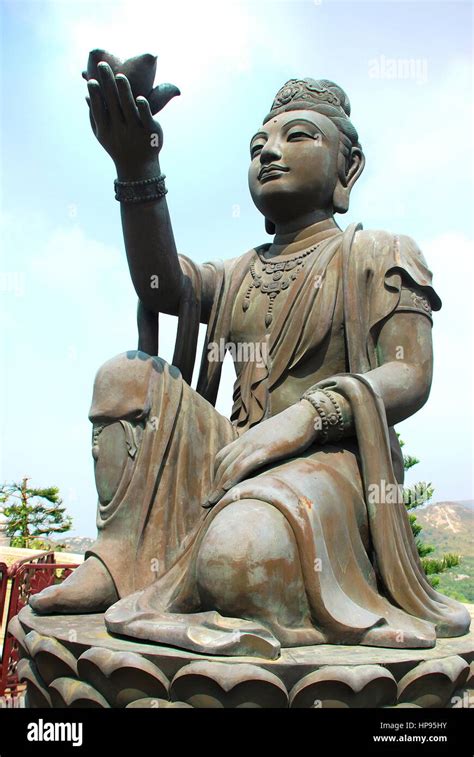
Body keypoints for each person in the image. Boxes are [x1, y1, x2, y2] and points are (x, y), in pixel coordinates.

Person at [30, 61, 470, 658]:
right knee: (126, 373)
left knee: (238, 555)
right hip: (231, 451)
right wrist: (137, 169)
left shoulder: (380, 252)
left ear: (349, 166)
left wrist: (307, 418)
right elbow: (162, 284)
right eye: (258, 145)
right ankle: (121, 558)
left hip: (328, 465)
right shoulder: (237, 272)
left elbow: (408, 375)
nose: (270, 153)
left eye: (299, 137)